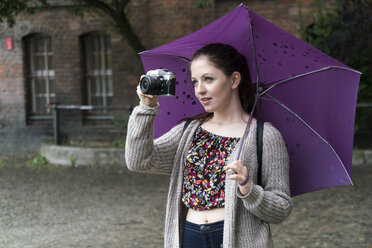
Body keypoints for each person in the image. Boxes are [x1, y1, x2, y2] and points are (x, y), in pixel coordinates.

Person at [125, 43, 292, 248]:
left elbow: (281, 208)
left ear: (234, 80)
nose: (200, 90)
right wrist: (146, 107)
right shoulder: (189, 131)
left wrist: (248, 188)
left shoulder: (264, 136)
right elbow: (139, 161)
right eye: (195, 82)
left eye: (208, 79)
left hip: (237, 240)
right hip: (189, 236)